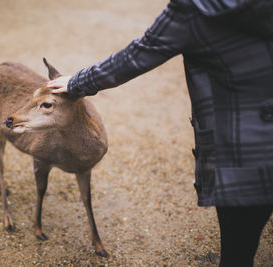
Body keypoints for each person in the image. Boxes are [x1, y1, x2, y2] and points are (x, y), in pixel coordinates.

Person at [46, 0, 273, 266]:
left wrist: (76, 82)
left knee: (239, 250)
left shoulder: (196, 8)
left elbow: (136, 56)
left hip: (245, 151)